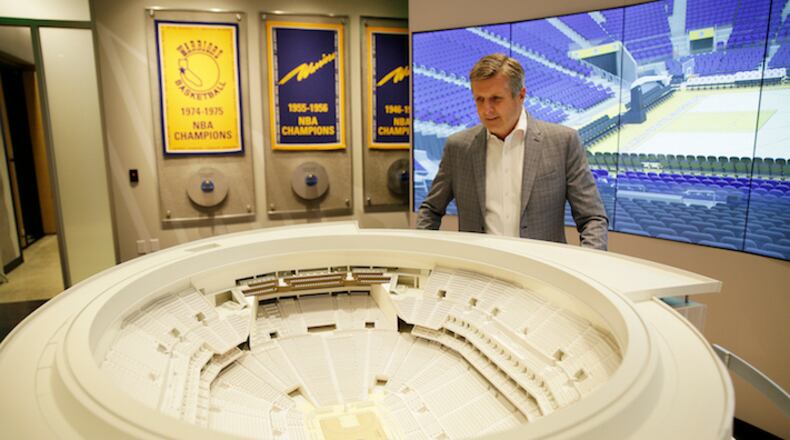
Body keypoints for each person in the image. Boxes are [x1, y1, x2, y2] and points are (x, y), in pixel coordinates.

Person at [416, 53, 608, 250]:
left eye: (496, 99)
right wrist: (423, 255)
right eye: (479, 100)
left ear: (521, 95)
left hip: (542, 271)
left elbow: (592, 218)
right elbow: (431, 209)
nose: (486, 109)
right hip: (479, 271)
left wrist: (588, 263)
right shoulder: (458, 146)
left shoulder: (563, 142)